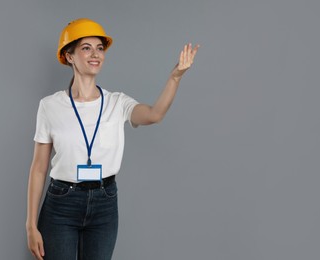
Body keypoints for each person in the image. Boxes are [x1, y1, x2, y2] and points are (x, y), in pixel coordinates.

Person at [25, 18, 199, 260]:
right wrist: (31, 225)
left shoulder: (118, 102)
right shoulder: (50, 106)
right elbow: (39, 168)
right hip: (61, 203)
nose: (95, 54)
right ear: (69, 56)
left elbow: (154, 114)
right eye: (86, 48)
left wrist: (175, 78)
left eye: (100, 48)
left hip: (104, 202)